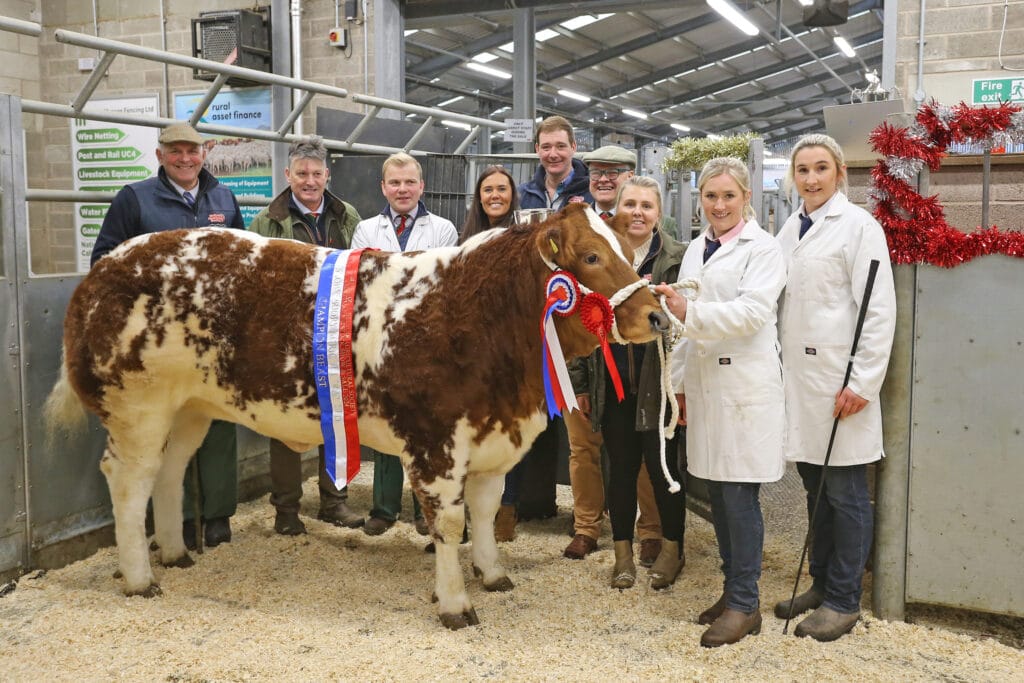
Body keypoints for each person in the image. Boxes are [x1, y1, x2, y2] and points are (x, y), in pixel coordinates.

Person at [91, 121, 244, 549]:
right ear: (159, 155)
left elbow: (241, 258)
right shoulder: (134, 198)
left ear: (205, 153)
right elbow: (104, 260)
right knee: (161, 423)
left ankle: (217, 515)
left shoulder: (223, 197)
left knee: (218, 418)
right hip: (158, 336)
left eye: (192, 151)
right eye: (175, 151)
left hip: (213, 332)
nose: (185, 158)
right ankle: (177, 518)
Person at [655, 157, 787, 648]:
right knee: (718, 495)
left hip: (745, 390)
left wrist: (690, 309)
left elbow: (753, 313)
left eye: (729, 196)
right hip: (708, 387)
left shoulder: (764, 249)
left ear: (747, 197)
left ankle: (745, 603)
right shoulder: (696, 249)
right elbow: (684, 330)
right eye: (711, 196)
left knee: (738, 498)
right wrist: (680, 385)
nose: (719, 205)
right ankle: (732, 591)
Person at [771, 134, 896, 642]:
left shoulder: (859, 227)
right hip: (801, 386)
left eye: (822, 168)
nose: (812, 178)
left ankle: (845, 601)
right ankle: (821, 583)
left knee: (845, 494)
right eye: (803, 169)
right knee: (814, 490)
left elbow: (879, 309)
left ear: (840, 173)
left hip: (841, 385)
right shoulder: (790, 228)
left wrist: (862, 381)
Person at [571, 176, 687, 591]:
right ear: (617, 208)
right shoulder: (598, 256)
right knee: (618, 469)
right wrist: (581, 383)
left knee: (664, 469)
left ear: (659, 213)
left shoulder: (678, 258)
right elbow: (578, 321)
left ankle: (672, 550)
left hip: (662, 384)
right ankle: (622, 554)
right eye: (630, 204)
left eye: (647, 206)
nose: (637, 212)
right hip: (612, 379)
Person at [247, 135, 366, 535]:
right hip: (288, 341)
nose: (310, 181)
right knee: (285, 425)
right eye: (302, 173)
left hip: (336, 337)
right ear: (288, 175)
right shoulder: (267, 221)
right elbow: (254, 280)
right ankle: (286, 510)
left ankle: (335, 502)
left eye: (316, 173)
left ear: (327, 175)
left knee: (337, 416)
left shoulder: (347, 215)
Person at [562, 144, 664, 565]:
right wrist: (578, 381)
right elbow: (567, 308)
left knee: (641, 452)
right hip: (590, 361)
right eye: (598, 171)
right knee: (583, 447)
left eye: (615, 172)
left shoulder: (656, 240)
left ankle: (650, 530)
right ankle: (587, 526)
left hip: (641, 366)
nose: (604, 178)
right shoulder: (578, 233)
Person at [352, 152, 459, 536]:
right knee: (384, 420)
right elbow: (368, 284)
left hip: (427, 342)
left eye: (409, 182)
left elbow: (440, 285)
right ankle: (383, 508)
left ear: (421, 186)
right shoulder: (366, 230)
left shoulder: (444, 229)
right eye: (394, 183)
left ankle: (421, 507)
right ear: (383, 187)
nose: (402, 189)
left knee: (424, 427)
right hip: (378, 341)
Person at [517, 115, 592, 209]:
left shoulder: (593, 193)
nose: (553, 155)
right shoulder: (522, 194)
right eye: (546, 147)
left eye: (560, 146)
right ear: (537, 149)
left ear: (573, 147)